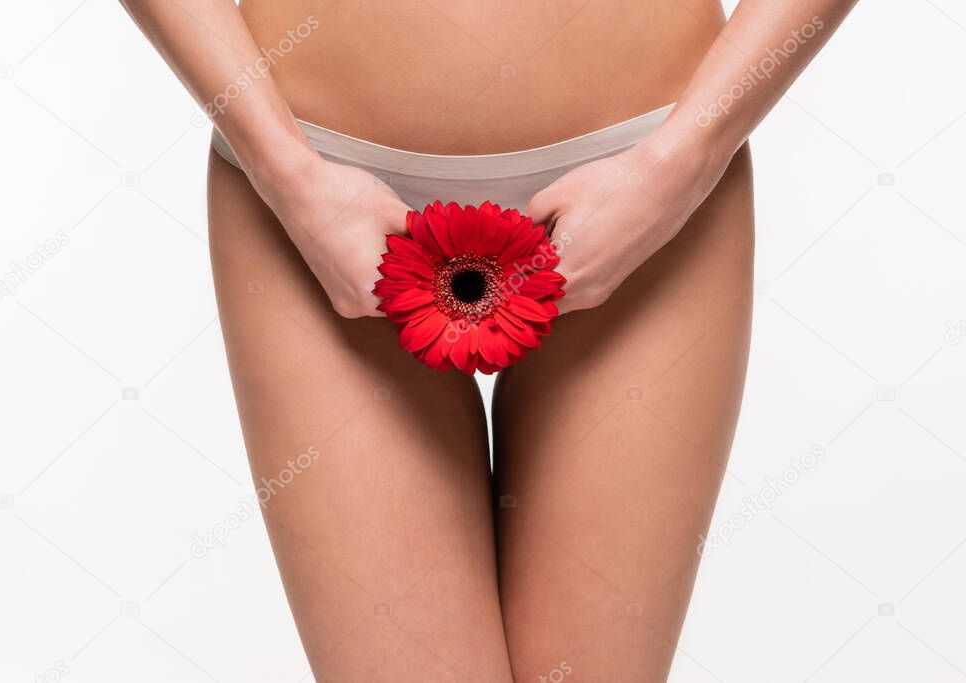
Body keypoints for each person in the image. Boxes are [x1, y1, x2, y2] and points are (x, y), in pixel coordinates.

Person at [120, 1, 859, 679]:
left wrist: (682, 162)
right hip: (310, 182)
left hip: (647, 181)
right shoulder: (296, 185)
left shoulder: (666, 177)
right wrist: (286, 175)